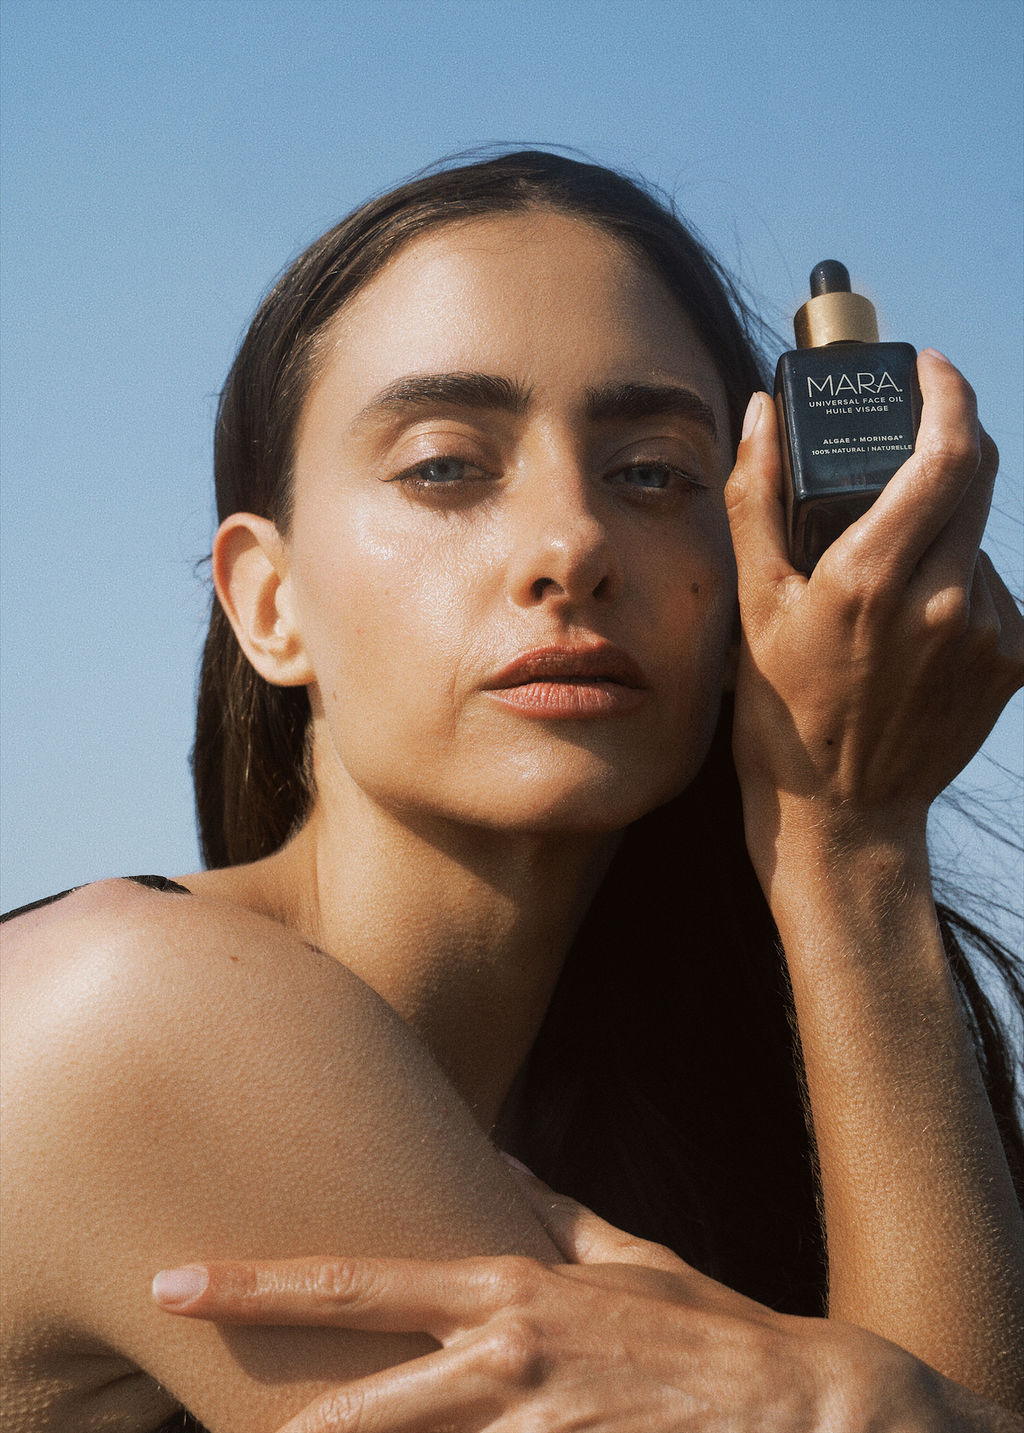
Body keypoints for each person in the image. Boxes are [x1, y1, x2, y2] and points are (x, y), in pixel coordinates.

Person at [1, 150, 1022, 1433]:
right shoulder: (145, 1008)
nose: (570, 545)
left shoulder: (686, 1116)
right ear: (268, 601)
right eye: (444, 465)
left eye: (652, 471)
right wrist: (851, 837)